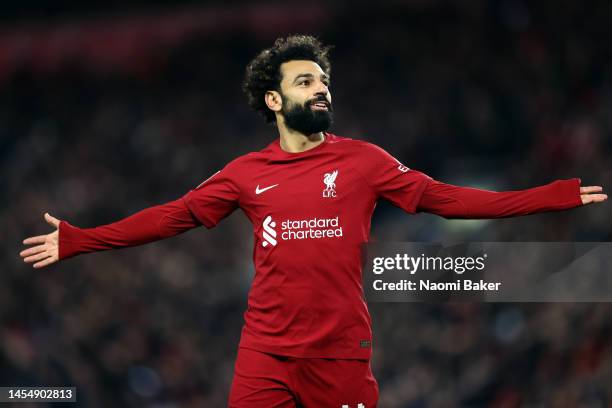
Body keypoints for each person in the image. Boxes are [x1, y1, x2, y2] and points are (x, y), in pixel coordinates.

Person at [20, 35, 607, 407]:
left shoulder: (364, 161)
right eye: (306, 82)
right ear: (274, 100)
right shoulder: (244, 173)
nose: (321, 90)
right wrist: (81, 240)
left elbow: (451, 200)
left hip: (339, 354)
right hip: (266, 354)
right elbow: (170, 218)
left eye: (323, 81)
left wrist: (549, 196)